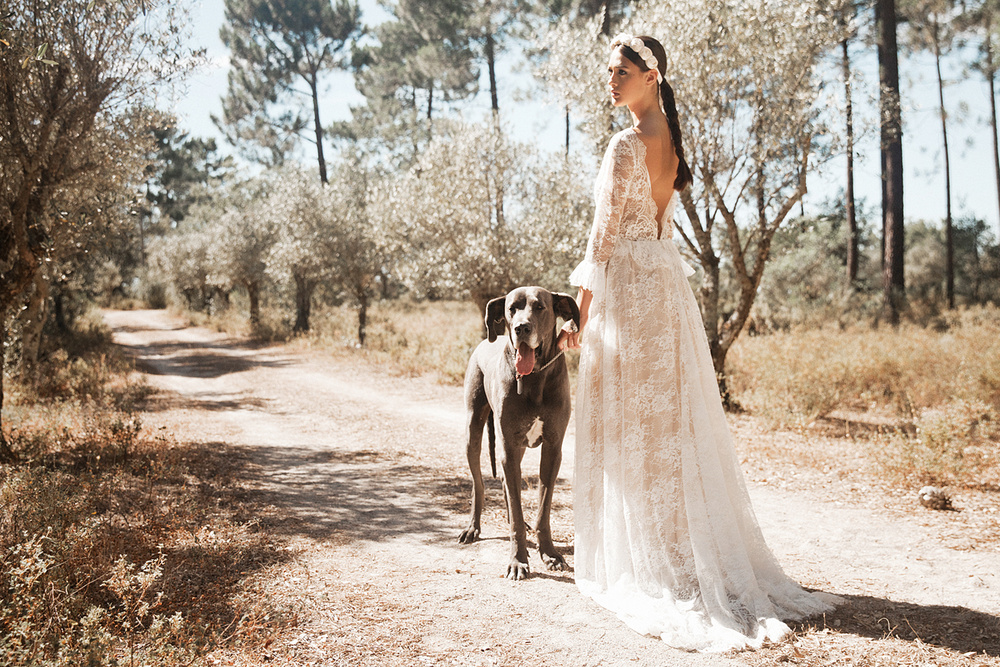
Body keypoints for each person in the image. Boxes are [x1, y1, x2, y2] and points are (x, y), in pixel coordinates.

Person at [557, 33, 836, 652]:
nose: (611, 79)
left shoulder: (625, 144)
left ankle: (656, 563)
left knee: (636, 429)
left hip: (631, 292)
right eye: (610, 71)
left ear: (651, 76)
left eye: (621, 70)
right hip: (664, 290)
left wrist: (577, 316)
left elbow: (601, 243)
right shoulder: (671, 141)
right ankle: (677, 556)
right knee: (665, 430)